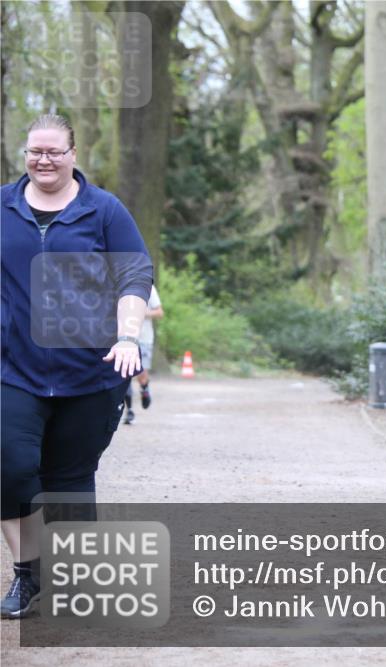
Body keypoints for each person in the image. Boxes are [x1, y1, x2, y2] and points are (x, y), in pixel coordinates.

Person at [0, 114, 152, 618]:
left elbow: (134, 277)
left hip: (90, 372)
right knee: (10, 470)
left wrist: (128, 335)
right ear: (24, 155)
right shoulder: (2, 206)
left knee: (69, 480)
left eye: (54, 152)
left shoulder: (103, 210)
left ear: (73, 154)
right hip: (13, 368)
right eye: (34, 152)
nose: (43, 160)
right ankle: (28, 575)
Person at [123, 284, 163, 425]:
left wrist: (142, 313)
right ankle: (129, 411)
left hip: (144, 338)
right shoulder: (120, 285)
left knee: (141, 374)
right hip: (125, 337)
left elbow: (159, 312)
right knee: (125, 373)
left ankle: (144, 388)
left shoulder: (149, 288)